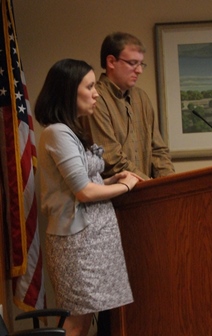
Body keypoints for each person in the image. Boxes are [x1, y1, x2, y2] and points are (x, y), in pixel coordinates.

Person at [34, 58, 142, 336]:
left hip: (93, 239)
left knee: (85, 318)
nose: (96, 93)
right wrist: (127, 185)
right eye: (90, 86)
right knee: (77, 319)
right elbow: (84, 192)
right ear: (69, 91)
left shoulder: (70, 130)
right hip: (78, 240)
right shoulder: (57, 132)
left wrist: (110, 180)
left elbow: (77, 185)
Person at [80, 32, 175, 181]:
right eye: (132, 63)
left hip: (147, 193)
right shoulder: (95, 98)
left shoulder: (141, 97)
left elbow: (158, 151)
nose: (139, 70)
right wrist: (150, 185)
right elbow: (110, 159)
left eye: (141, 64)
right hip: (113, 197)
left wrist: (169, 183)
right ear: (111, 61)